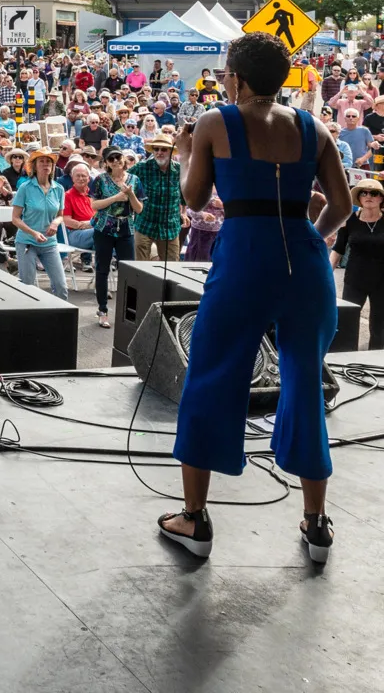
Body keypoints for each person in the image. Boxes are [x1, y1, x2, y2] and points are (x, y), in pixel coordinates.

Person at [161, 32, 350, 563]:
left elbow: (195, 199)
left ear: (238, 79)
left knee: (212, 377)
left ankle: (194, 520)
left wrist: (183, 156)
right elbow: (341, 205)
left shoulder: (216, 122)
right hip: (306, 264)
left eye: (226, 72)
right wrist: (310, 233)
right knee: (306, 381)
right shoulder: (314, 128)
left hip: (244, 259)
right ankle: (316, 525)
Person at [88, 147, 144, 328]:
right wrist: (116, 197)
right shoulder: (100, 180)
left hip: (126, 228)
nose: (115, 161)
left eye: (118, 157)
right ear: (106, 163)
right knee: (102, 269)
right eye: (111, 159)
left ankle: (129, 311)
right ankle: (102, 310)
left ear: (123, 159)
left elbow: (139, 209)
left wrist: (130, 194)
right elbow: (94, 205)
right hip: (104, 228)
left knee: (128, 271)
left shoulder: (134, 180)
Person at [331, 178, 384, 350]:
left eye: (374, 193)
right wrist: (324, 273)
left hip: (381, 282)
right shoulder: (349, 221)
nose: (368, 196)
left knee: (379, 327)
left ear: (381, 198)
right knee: (347, 322)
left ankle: (376, 363)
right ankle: (346, 360)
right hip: (354, 279)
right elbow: (338, 249)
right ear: (359, 198)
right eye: (364, 193)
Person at [11, 148, 70, 301]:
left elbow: (60, 216)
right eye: (41, 161)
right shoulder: (25, 187)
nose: (45, 165)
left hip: (49, 243)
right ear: (35, 166)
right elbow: (15, 219)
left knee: (61, 286)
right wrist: (33, 233)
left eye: (48, 161)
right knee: (28, 285)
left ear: (53, 166)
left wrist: (55, 224)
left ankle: (60, 322)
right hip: (27, 242)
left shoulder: (59, 189)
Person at [130, 134, 183, 262]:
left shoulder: (179, 169)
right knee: (140, 269)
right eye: (156, 149)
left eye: (163, 149)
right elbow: (124, 180)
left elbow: (184, 194)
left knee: (172, 267)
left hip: (169, 226)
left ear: (170, 151)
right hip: (145, 223)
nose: (159, 152)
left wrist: (185, 212)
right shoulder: (142, 167)